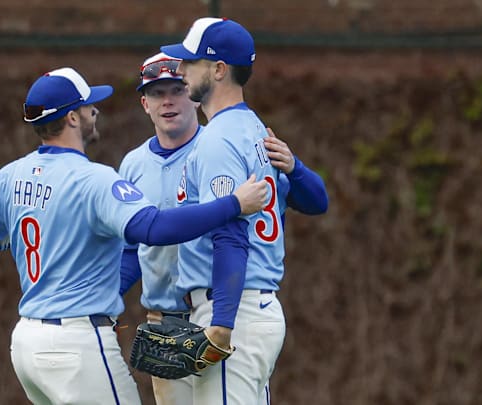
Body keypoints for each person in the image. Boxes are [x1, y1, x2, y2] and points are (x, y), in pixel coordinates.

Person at [0, 67, 269, 405]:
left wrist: (3, 239)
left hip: (28, 344)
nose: (95, 111)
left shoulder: (13, 175)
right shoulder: (94, 180)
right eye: (89, 106)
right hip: (77, 346)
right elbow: (154, 228)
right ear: (72, 118)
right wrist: (233, 204)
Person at [119, 52, 328, 405]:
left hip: (220, 311)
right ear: (144, 103)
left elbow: (314, 202)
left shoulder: (221, 146)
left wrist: (294, 167)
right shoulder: (133, 165)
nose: (168, 100)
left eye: (175, 88)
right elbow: (129, 250)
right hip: (167, 321)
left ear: (191, 89)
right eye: (157, 92)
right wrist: (105, 304)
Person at [160, 17, 293, 404]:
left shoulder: (218, 139)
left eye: (191, 61)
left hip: (234, 312)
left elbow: (229, 235)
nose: (180, 70)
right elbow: (308, 201)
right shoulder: (255, 127)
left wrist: (221, 325)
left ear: (219, 70)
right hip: (256, 306)